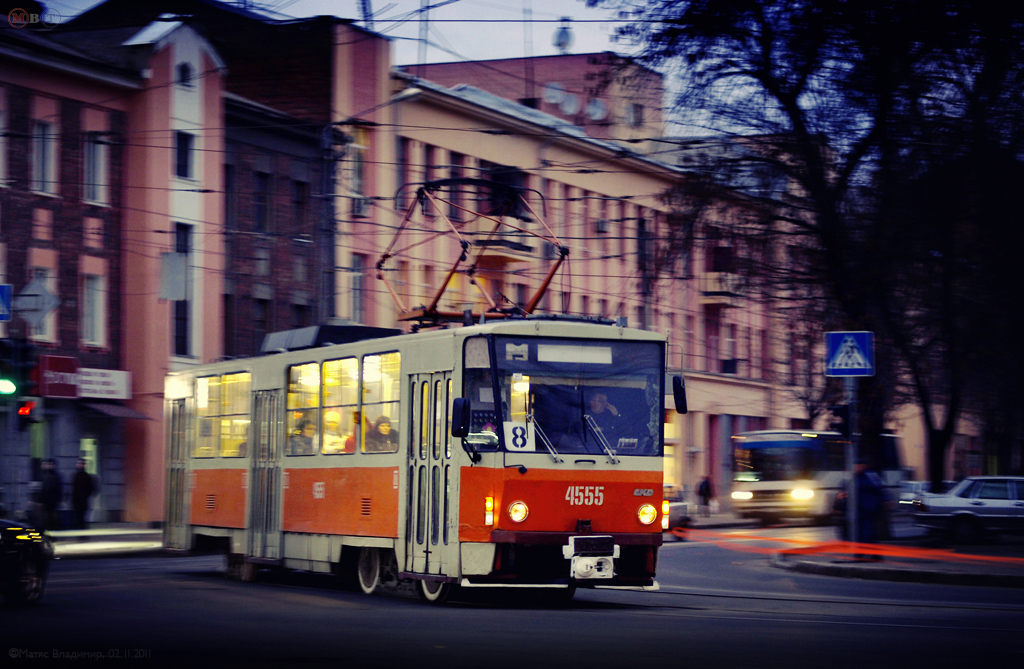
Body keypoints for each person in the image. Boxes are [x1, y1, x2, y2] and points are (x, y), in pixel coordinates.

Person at [71, 458, 96, 530]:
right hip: (77, 500)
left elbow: (91, 488)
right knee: (78, 516)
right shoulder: (76, 476)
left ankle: (81, 529)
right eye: (79, 464)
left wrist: (85, 496)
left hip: (83, 500)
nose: (79, 465)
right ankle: (80, 529)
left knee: (81, 516)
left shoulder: (87, 477)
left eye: (81, 464)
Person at [39, 458, 63, 531]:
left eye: (51, 464)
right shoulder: (45, 475)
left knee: (52, 518)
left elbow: (59, 489)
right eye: (48, 464)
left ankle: (52, 532)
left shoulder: (55, 476)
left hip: (52, 501)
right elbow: (43, 489)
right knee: (47, 518)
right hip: (46, 501)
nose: (49, 466)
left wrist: (58, 500)